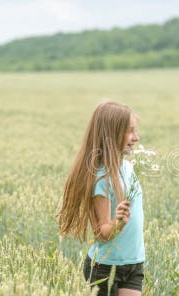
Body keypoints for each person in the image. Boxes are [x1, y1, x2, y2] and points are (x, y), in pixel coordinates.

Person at [57, 101, 144, 296]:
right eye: (130, 132)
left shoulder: (129, 168)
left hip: (134, 262)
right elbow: (102, 233)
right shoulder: (101, 179)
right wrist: (118, 223)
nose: (136, 138)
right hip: (105, 266)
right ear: (112, 135)